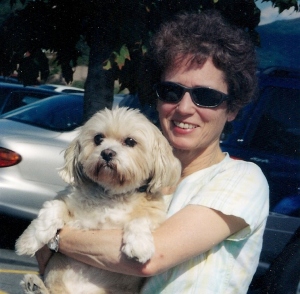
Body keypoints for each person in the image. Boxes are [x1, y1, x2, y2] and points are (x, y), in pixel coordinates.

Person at [36, 9, 269, 293]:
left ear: (232, 108)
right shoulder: (133, 183)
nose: (184, 108)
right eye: (172, 91)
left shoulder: (241, 179)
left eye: (206, 96)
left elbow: (149, 258)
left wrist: (55, 236)